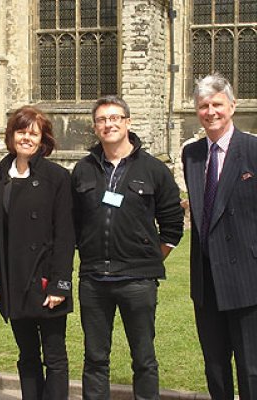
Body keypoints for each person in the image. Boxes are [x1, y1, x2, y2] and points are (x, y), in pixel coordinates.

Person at [72, 95, 184, 400]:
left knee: (144, 358)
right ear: (95, 127)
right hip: (94, 280)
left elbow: (173, 226)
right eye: (102, 119)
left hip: (138, 281)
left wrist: (148, 260)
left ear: (127, 122)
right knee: (95, 359)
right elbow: (74, 222)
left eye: (115, 118)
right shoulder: (83, 169)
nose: (109, 124)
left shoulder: (154, 169)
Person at [0, 106, 75, 400]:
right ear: (12, 135)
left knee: (55, 356)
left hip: (46, 280)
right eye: (21, 131)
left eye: (33, 133)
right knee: (26, 355)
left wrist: (60, 283)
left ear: (43, 139)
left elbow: (65, 235)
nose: (26, 138)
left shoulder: (57, 177)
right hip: (16, 281)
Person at [182, 73, 257, 400]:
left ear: (232, 105)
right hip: (206, 281)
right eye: (203, 106)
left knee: (251, 367)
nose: (210, 111)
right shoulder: (192, 155)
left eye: (217, 104)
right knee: (214, 366)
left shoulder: (252, 149)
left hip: (247, 279)